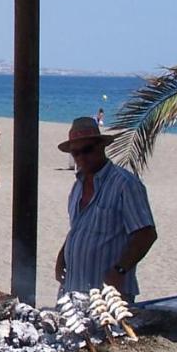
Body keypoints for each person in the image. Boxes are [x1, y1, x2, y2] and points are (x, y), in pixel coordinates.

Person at [54, 116, 157, 301]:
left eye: (87, 150)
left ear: (101, 146)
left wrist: (119, 270)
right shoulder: (78, 185)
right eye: (76, 153)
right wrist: (63, 255)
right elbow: (79, 228)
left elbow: (146, 234)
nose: (81, 157)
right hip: (73, 290)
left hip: (109, 295)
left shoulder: (125, 184)